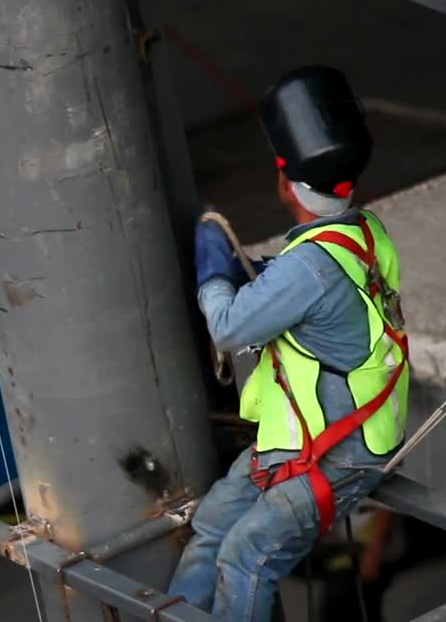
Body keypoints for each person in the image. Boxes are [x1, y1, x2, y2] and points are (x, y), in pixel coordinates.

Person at [167, 65, 411, 621]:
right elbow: (319, 294)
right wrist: (263, 274)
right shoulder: (363, 233)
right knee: (211, 530)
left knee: (246, 557)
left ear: (285, 180)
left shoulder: (308, 268)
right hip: (307, 433)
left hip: (337, 453)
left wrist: (214, 275)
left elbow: (227, 326)